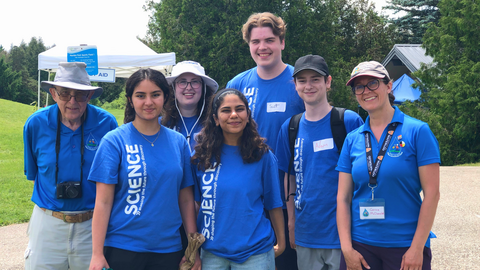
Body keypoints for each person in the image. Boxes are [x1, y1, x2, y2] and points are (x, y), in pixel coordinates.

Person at [87, 68, 200, 270]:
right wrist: (96, 254)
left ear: (165, 97)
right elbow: (103, 202)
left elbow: (185, 198)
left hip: (169, 248)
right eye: (140, 96)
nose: (148, 102)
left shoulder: (178, 142)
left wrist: (193, 248)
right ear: (130, 100)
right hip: (123, 247)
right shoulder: (114, 141)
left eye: (155, 95)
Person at [336, 61, 440, 270]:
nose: (366, 91)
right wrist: (347, 249)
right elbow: (343, 197)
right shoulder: (352, 139)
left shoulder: (418, 131)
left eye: (373, 83)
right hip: (361, 246)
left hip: (404, 245)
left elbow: (432, 194)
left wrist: (416, 248)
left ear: (388, 86)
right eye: (359, 86)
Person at [226, 12, 304, 269]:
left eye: (269, 40)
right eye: (255, 42)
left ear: (282, 42)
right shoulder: (237, 84)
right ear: (248, 45)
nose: (262, 47)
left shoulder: (300, 83)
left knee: (287, 263)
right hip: (249, 196)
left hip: (289, 196)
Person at [23, 62, 118, 270]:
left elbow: (113, 179)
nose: (72, 101)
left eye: (81, 94)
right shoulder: (35, 124)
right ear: (54, 93)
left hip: (92, 225)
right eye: (65, 93)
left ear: (90, 96)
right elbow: (33, 174)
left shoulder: (107, 125)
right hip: (47, 224)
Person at [275, 55, 364, 270]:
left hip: (343, 233)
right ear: (295, 85)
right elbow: (289, 177)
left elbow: (365, 173)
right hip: (306, 232)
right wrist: (291, 222)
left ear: (328, 82)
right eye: (302, 80)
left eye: (315, 79)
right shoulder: (290, 127)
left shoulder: (348, 121)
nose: (309, 85)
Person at [192, 88, 286, 269]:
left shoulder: (262, 156)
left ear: (248, 114)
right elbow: (195, 204)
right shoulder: (201, 157)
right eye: (226, 110)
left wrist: (281, 241)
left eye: (240, 109)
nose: (234, 115)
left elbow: (274, 203)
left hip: (254, 252)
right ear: (215, 119)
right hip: (211, 253)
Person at [162, 60, 219, 152]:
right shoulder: (159, 125)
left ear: (204, 87)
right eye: (182, 82)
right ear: (173, 88)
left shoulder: (216, 123)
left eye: (195, 82)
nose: (188, 87)